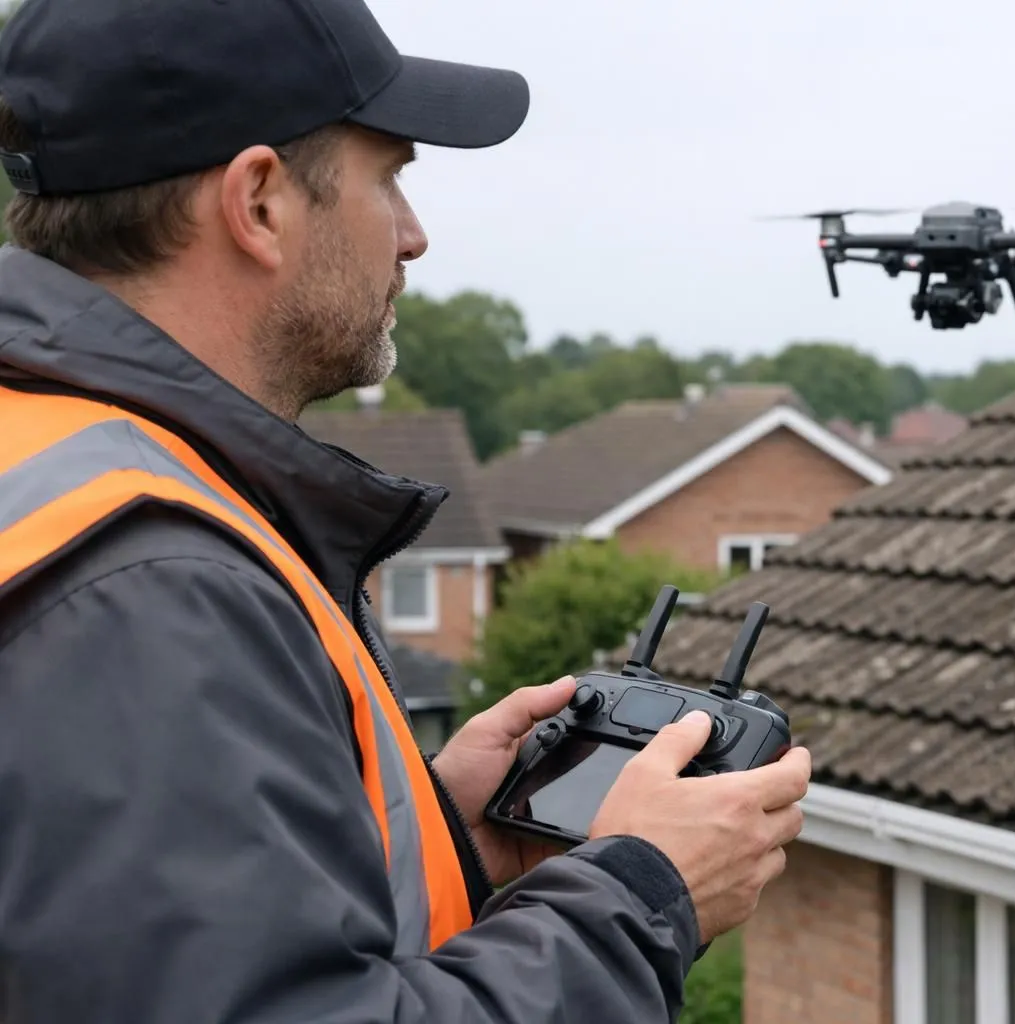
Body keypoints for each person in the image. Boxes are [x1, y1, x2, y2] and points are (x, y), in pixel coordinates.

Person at [0, 0, 812, 1021]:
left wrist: (424, 834)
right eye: (389, 178)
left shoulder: (47, 457)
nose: (416, 237)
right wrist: (643, 893)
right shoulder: (153, 587)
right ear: (258, 203)